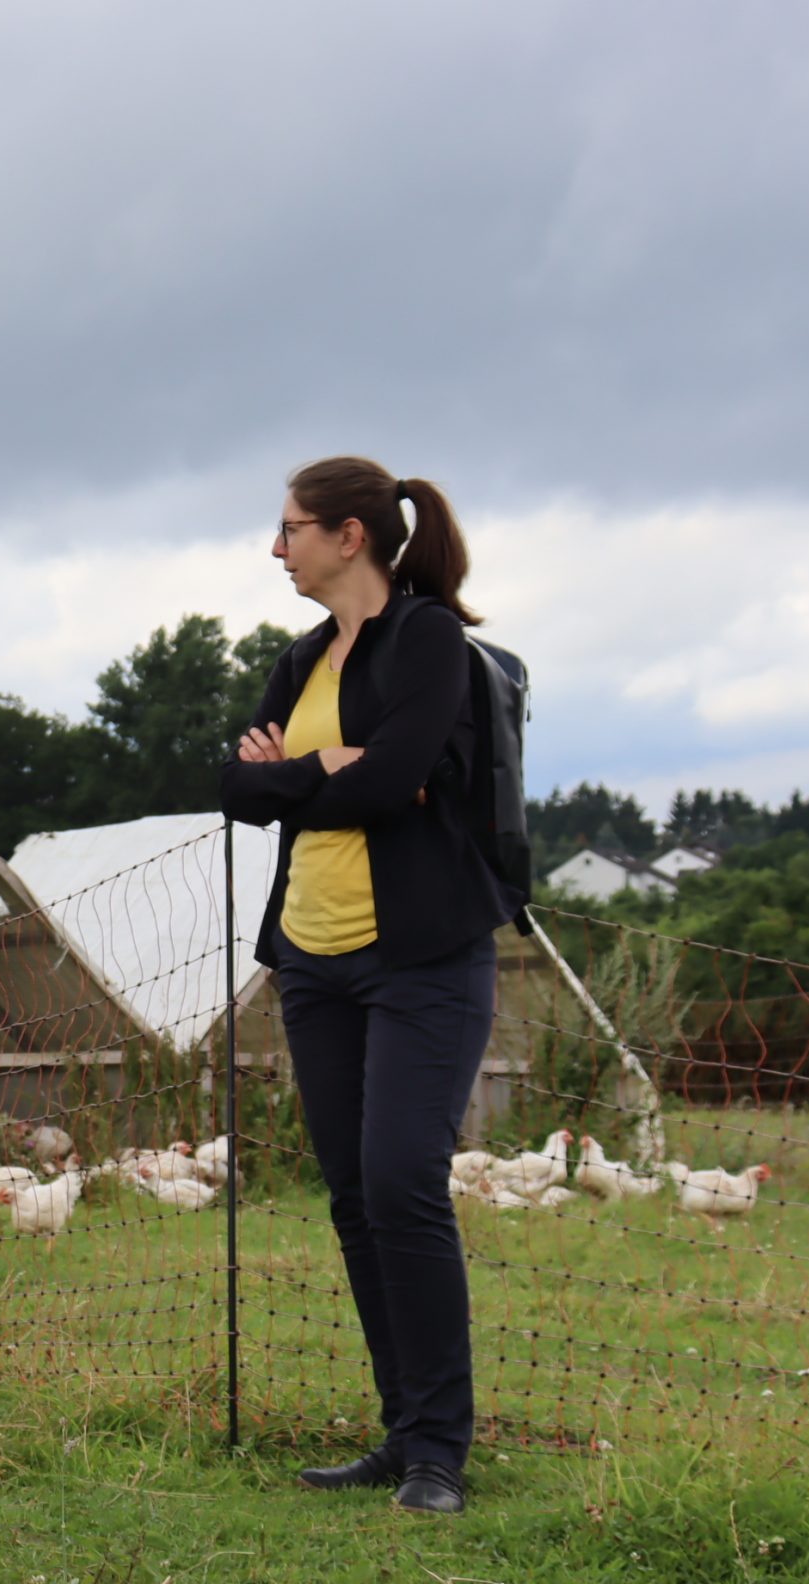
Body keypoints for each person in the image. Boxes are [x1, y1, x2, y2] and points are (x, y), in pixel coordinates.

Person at [220, 456, 517, 1516]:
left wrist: (311, 774)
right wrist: (330, 768)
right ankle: (403, 1432)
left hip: (421, 960)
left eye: (291, 527)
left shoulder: (425, 637)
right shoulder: (300, 657)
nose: (275, 546)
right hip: (312, 960)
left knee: (400, 1183)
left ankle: (441, 1449)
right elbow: (233, 787)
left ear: (349, 536)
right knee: (352, 1196)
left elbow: (394, 781)